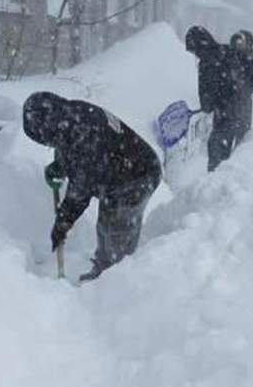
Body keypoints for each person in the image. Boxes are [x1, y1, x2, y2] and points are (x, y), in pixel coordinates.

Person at [22, 92, 162, 282]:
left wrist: (63, 223)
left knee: (118, 228)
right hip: (117, 172)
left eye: (46, 139)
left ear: (50, 125)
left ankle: (119, 283)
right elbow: (70, 148)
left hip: (138, 175)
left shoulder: (83, 131)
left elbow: (81, 189)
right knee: (105, 225)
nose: (48, 144)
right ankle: (103, 272)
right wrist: (59, 167)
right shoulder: (70, 116)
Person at [186, 26, 242, 171]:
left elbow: (209, 89)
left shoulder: (209, 62)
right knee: (221, 145)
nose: (195, 54)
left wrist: (210, 104)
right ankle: (217, 179)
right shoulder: (224, 52)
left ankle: (215, 179)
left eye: (194, 50)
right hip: (229, 107)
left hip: (226, 108)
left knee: (216, 146)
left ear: (200, 45)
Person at [228, 30, 253, 145]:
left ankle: (239, 146)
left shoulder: (251, 57)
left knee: (242, 125)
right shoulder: (230, 54)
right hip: (230, 96)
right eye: (237, 41)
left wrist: (248, 87)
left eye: (242, 42)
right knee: (230, 125)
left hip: (243, 95)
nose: (239, 44)